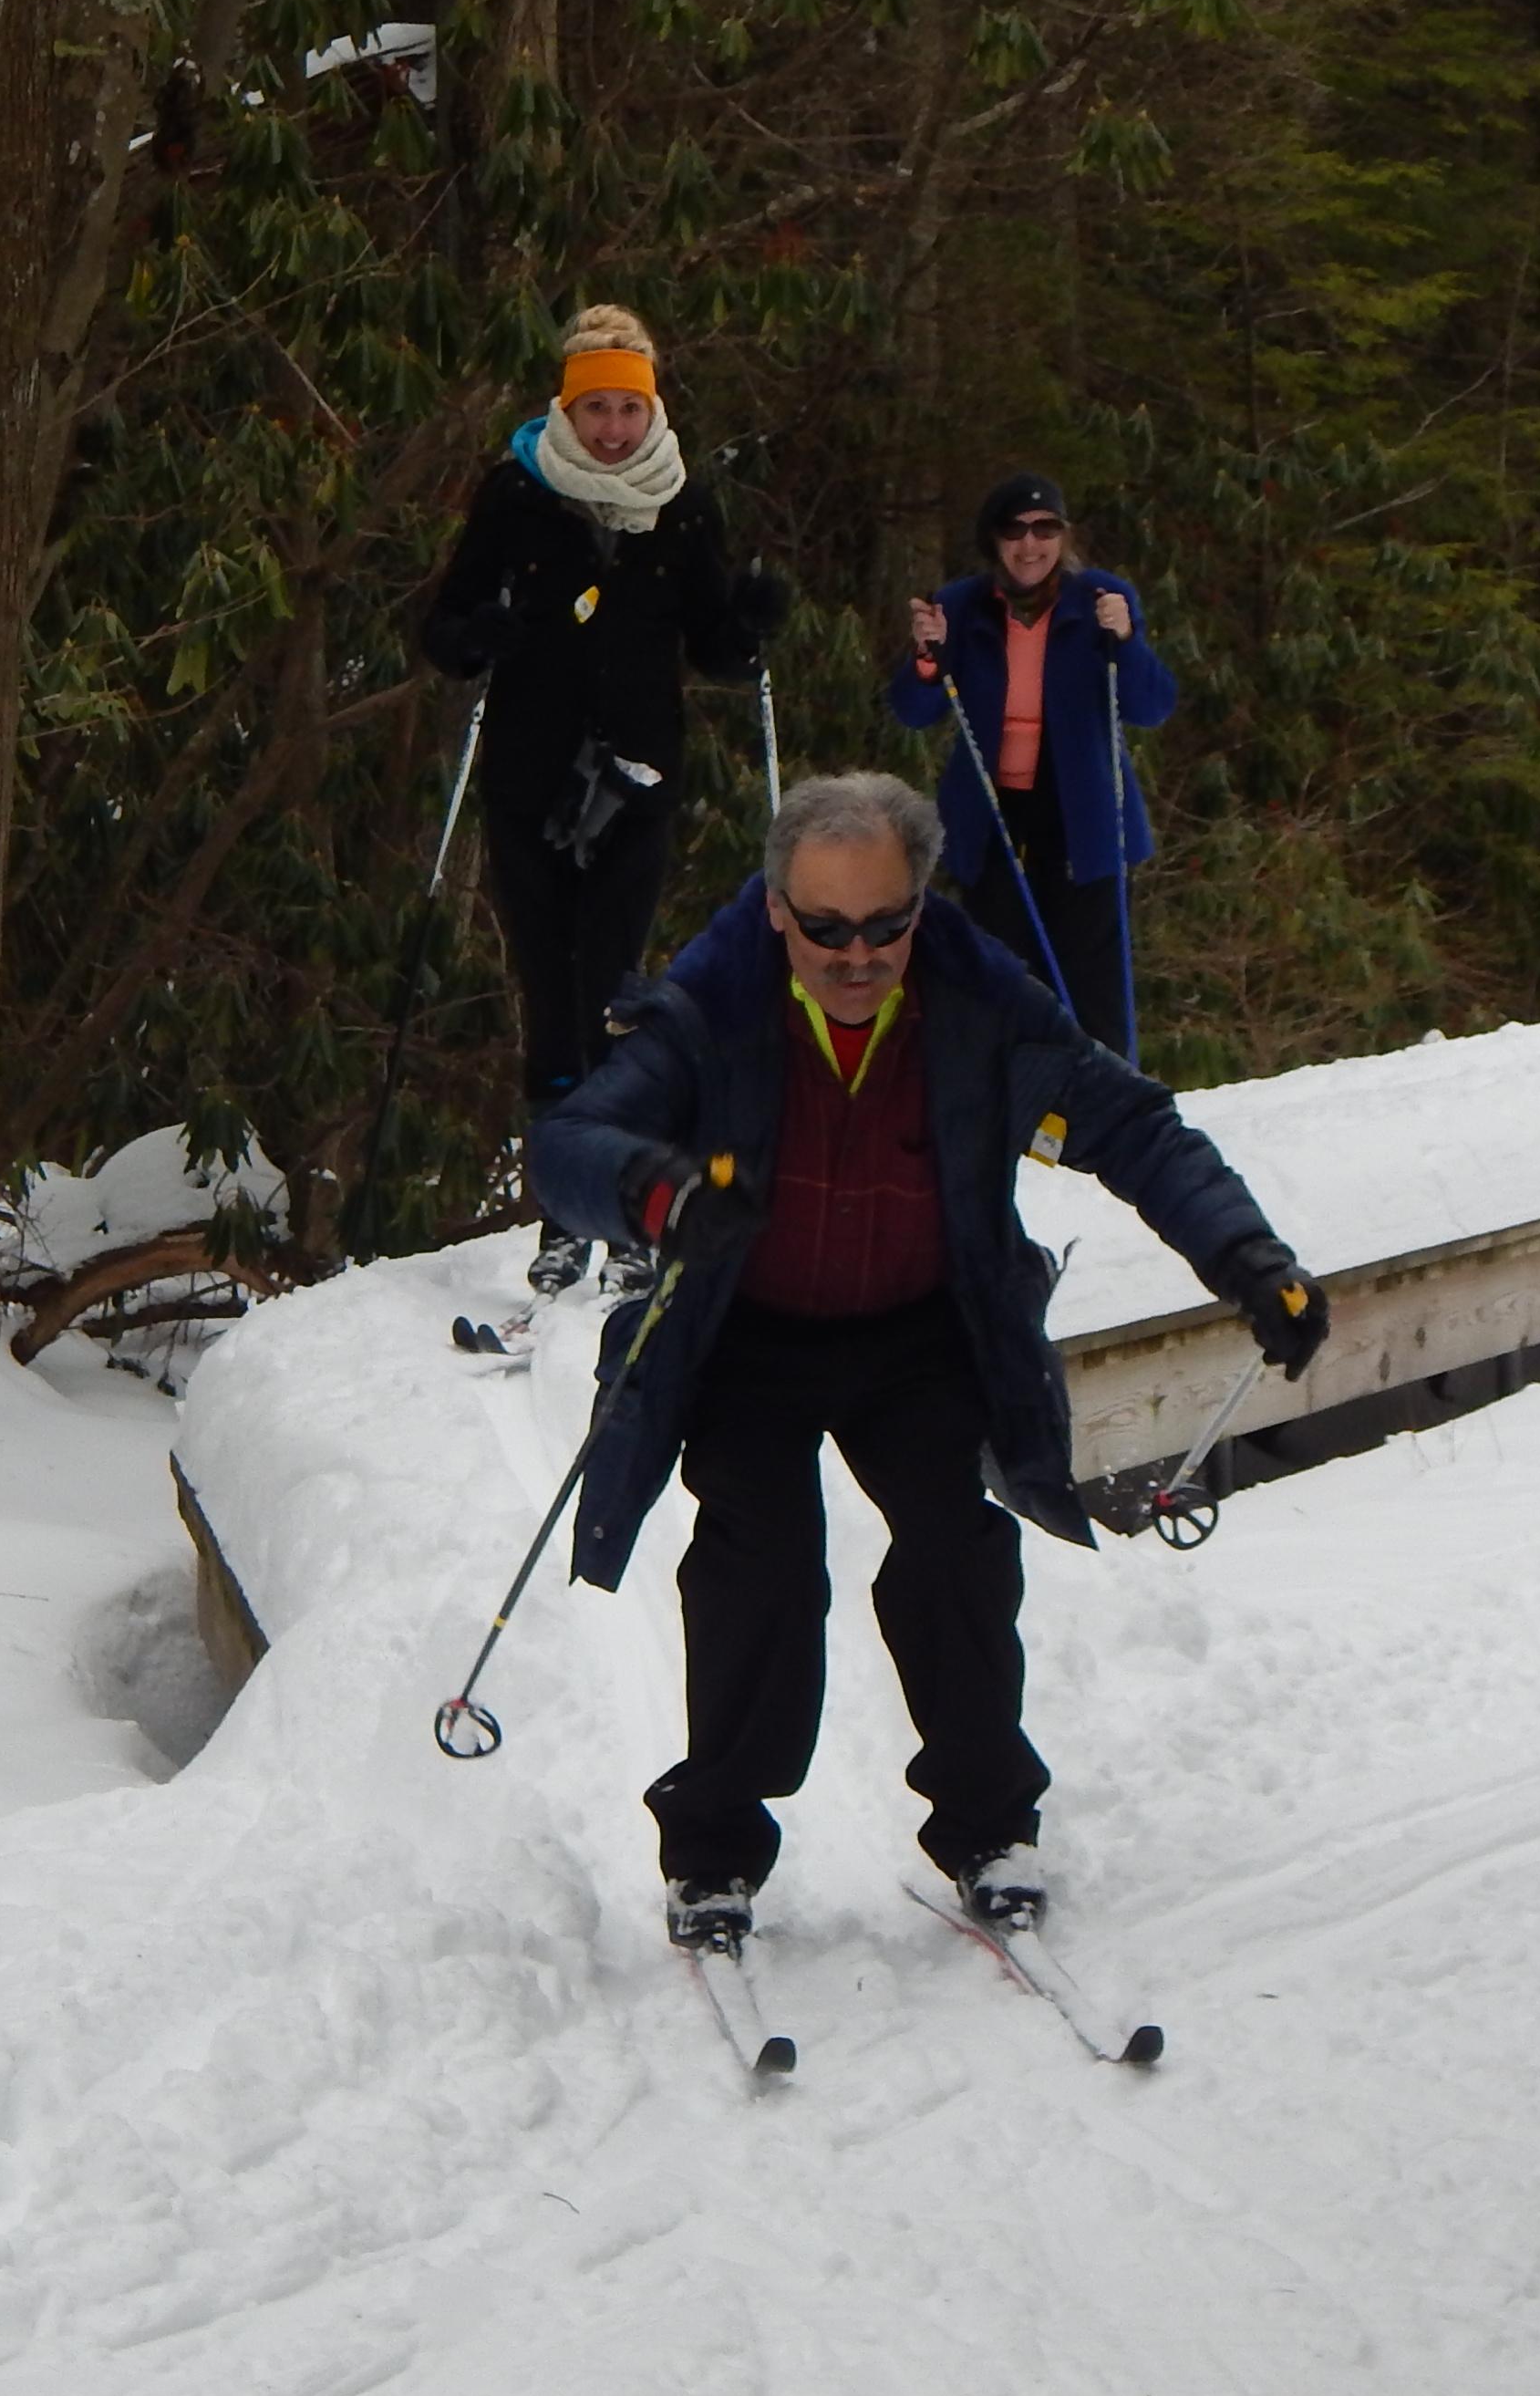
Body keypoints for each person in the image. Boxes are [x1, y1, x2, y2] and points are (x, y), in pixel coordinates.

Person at [531, 770, 1328, 1951]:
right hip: (751, 1332)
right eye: (826, 929)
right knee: (761, 1566)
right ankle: (713, 1851)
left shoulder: (979, 1000)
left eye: (885, 926)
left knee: (956, 1550)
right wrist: (660, 1193)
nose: (856, 956)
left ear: (921, 907)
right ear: (776, 913)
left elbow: (1128, 1123)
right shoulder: (716, 1006)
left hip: (918, 1327)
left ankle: (988, 1828)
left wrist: (1247, 1255)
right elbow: (567, 1146)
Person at [421, 305, 787, 1298]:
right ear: (567, 409)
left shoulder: (682, 503)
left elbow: (715, 645)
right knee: (550, 994)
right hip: (529, 777)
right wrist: (478, 636)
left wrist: (751, 622)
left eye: (629, 408)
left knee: (619, 999)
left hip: (637, 778)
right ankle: (561, 1213)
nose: (614, 429)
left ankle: (628, 1205)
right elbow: (444, 623)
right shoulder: (518, 493)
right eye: (597, 411)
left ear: (652, 406)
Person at [893, 472, 1173, 1056]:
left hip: (1083, 816)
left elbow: (1151, 706)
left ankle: (1107, 1112)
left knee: (1091, 980)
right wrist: (927, 659)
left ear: (1063, 537)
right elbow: (914, 712)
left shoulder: (1100, 599)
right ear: (994, 541)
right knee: (999, 974)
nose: (1030, 545)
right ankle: (1009, 1108)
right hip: (995, 817)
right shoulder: (961, 606)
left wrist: (1126, 639)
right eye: (1015, 531)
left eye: (1045, 529)